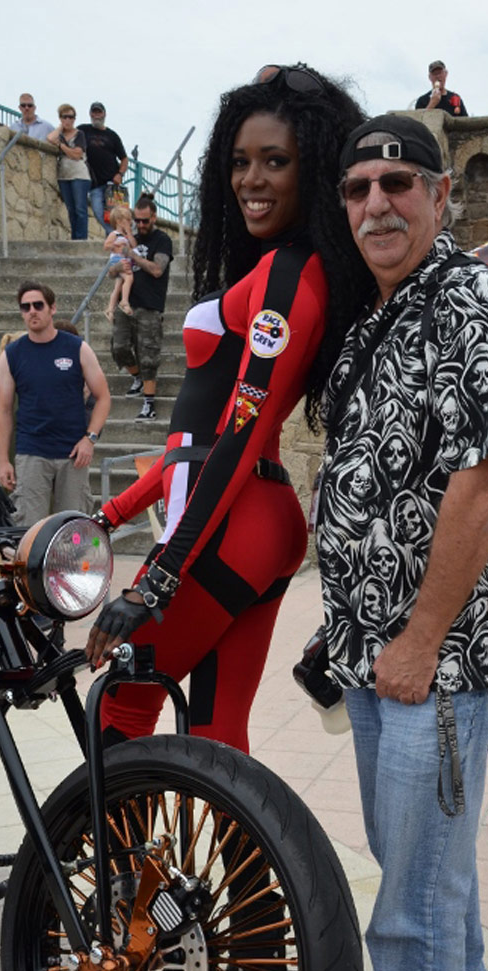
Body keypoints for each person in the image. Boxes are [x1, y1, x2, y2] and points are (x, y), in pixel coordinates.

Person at [317, 114, 488, 971]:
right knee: (427, 846)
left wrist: (417, 641)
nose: (376, 202)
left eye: (398, 182)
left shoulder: (474, 305)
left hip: (437, 657)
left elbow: (485, 484)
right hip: (382, 647)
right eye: (358, 186)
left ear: (442, 194)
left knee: (411, 868)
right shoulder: (384, 310)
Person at [84, 64, 372, 755]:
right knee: (216, 730)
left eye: (276, 161)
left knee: (120, 704)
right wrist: (117, 514)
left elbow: (239, 435)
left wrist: (158, 576)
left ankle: (117, 841)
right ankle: (231, 835)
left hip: (233, 516)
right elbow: (197, 445)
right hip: (254, 519)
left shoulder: (287, 274)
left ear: (314, 169)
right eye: (240, 161)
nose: (251, 179)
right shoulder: (287, 267)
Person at [0, 281, 110, 525]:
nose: (32, 311)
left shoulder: (77, 348)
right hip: (31, 452)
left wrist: (90, 439)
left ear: (52, 308)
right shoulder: (12, 355)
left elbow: (103, 397)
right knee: (28, 528)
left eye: (38, 305)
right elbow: (3, 411)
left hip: (73, 453)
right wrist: (2, 460)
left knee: (73, 528)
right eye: (25, 307)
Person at [110, 194, 173, 420]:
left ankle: (149, 404)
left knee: (148, 356)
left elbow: (157, 270)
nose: (140, 224)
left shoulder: (162, 240)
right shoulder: (129, 239)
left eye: (145, 220)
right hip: (126, 304)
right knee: (118, 348)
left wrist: (132, 256)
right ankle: (136, 377)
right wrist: (117, 267)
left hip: (150, 305)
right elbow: (111, 272)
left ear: (154, 217)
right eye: (137, 220)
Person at [78, 103, 128, 233]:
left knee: (114, 217)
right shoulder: (83, 130)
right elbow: (68, 135)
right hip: (95, 184)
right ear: (90, 114)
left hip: (112, 185)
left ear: (104, 114)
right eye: (94, 112)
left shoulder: (112, 136)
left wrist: (120, 174)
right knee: (98, 212)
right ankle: (117, 235)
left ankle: (116, 237)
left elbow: (124, 159)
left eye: (99, 112)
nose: (96, 115)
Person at [46, 105, 91, 241]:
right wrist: (61, 127)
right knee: (71, 210)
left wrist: (62, 146)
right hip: (64, 176)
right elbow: (50, 138)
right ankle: (74, 239)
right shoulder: (59, 135)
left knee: (80, 209)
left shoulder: (79, 134)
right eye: (65, 117)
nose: (68, 120)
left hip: (79, 175)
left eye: (71, 117)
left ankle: (81, 239)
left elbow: (77, 155)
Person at [103, 205, 134, 321]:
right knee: (129, 277)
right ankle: (124, 301)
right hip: (117, 260)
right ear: (119, 221)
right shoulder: (115, 234)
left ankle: (110, 309)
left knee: (118, 286)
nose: (130, 222)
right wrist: (115, 244)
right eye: (128, 220)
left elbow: (133, 246)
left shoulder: (125, 236)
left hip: (123, 259)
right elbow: (106, 246)